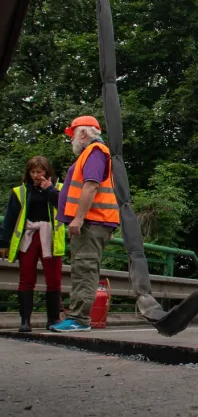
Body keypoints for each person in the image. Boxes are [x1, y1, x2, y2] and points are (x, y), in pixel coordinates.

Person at [49, 115, 120, 333]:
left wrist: (78, 219)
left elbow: (91, 186)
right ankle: (77, 317)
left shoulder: (95, 152)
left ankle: (79, 319)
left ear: (83, 133)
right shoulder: (92, 153)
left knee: (85, 268)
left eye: (72, 135)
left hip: (92, 221)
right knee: (83, 267)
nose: (71, 140)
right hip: (91, 221)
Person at [0, 156, 65, 332]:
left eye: (40, 171)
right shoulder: (20, 191)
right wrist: (3, 243)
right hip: (28, 237)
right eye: (33, 172)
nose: (36, 175)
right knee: (26, 278)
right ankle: (25, 321)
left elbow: (65, 208)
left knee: (54, 279)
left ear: (47, 172)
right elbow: (10, 219)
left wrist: (49, 189)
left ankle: (52, 320)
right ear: (28, 173)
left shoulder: (58, 188)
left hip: (51, 237)